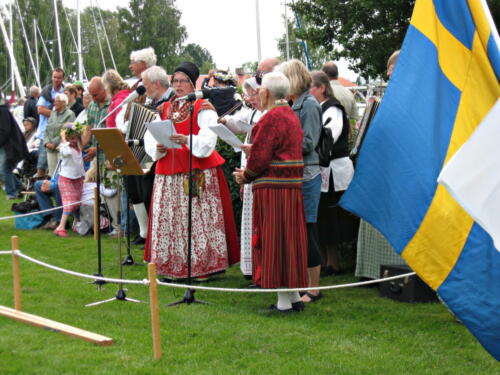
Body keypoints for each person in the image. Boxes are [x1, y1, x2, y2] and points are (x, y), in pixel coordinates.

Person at [144, 61, 239, 280]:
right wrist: (156, 147)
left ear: (192, 83)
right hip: (168, 170)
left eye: (183, 81)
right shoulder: (166, 107)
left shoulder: (202, 107)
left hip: (195, 170)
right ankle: (172, 265)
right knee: (171, 219)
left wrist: (186, 139)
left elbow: (209, 139)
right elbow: (152, 134)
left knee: (197, 219)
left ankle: (201, 266)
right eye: (175, 81)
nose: (178, 85)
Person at [233, 71, 307, 312]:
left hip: (273, 188)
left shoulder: (270, 118)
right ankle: (293, 297)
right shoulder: (290, 114)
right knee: (289, 241)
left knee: (273, 241)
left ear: (265, 92)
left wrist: (245, 176)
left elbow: (261, 158)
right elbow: (281, 148)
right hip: (291, 187)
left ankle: (283, 303)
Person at [355, 50, 405, 280]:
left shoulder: (411, 97)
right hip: (383, 164)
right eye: (390, 71)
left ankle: (400, 270)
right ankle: (377, 268)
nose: (390, 75)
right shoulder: (389, 98)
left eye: (393, 70)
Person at [277, 59, 323, 304]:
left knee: (308, 229)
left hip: (307, 174)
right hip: (294, 173)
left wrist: (280, 142)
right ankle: (301, 284)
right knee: (299, 230)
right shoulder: (294, 104)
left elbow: (309, 142)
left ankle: (313, 288)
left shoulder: (310, 105)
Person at [309, 70, 356, 275]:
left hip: (336, 170)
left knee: (333, 218)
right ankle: (328, 260)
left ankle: (335, 262)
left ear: (321, 88)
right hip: (326, 169)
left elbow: (331, 135)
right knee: (325, 217)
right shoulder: (319, 108)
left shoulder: (333, 108)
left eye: (310, 86)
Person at [219, 76, 264, 279]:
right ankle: (251, 266)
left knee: (260, 221)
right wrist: (225, 121)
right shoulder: (253, 112)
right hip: (249, 170)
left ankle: (261, 266)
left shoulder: (269, 114)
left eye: (253, 94)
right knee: (249, 219)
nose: (250, 99)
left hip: (261, 173)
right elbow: (239, 122)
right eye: (248, 95)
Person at [53, 123, 85, 237]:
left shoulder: (78, 148)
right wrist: (62, 138)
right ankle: (60, 227)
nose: (73, 140)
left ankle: (78, 224)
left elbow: (79, 163)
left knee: (77, 202)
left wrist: (83, 175)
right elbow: (65, 152)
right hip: (66, 178)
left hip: (78, 178)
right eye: (71, 138)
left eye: (75, 138)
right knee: (69, 203)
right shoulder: (64, 148)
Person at [35, 67, 65, 178]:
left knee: (62, 165)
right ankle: (39, 189)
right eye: (54, 77)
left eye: (59, 78)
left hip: (61, 134)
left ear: (63, 79)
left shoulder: (66, 92)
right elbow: (40, 109)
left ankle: (57, 189)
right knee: (42, 164)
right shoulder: (46, 91)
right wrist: (57, 114)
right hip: (45, 133)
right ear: (52, 78)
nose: (56, 80)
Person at [0, 104, 28, 199]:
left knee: (4, 169)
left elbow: (4, 130)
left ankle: (11, 193)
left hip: (11, 145)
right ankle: (20, 187)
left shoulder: (3, 112)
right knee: (5, 169)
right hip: (6, 145)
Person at [43, 93, 76, 177]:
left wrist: (54, 143)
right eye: (55, 101)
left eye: (58, 101)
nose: (55, 103)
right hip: (50, 149)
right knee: (52, 174)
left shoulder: (70, 114)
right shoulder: (53, 113)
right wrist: (46, 143)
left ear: (64, 103)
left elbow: (67, 131)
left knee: (61, 172)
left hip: (61, 148)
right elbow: (47, 129)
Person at [81, 77, 111, 162]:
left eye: (95, 95)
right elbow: (89, 129)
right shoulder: (91, 105)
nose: (93, 98)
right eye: (91, 95)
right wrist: (79, 146)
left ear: (104, 90)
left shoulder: (113, 105)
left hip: (109, 157)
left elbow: (115, 136)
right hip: (95, 157)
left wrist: (97, 149)